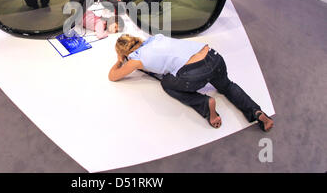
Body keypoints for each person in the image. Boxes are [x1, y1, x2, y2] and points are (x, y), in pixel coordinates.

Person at [109, 34, 274, 132]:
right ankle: (257, 113)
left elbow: (113, 76)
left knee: (166, 83)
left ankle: (204, 103)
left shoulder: (135, 60)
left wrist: (119, 61)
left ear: (124, 52)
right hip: (214, 57)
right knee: (228, 86)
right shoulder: (156, 38)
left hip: (194, 73)